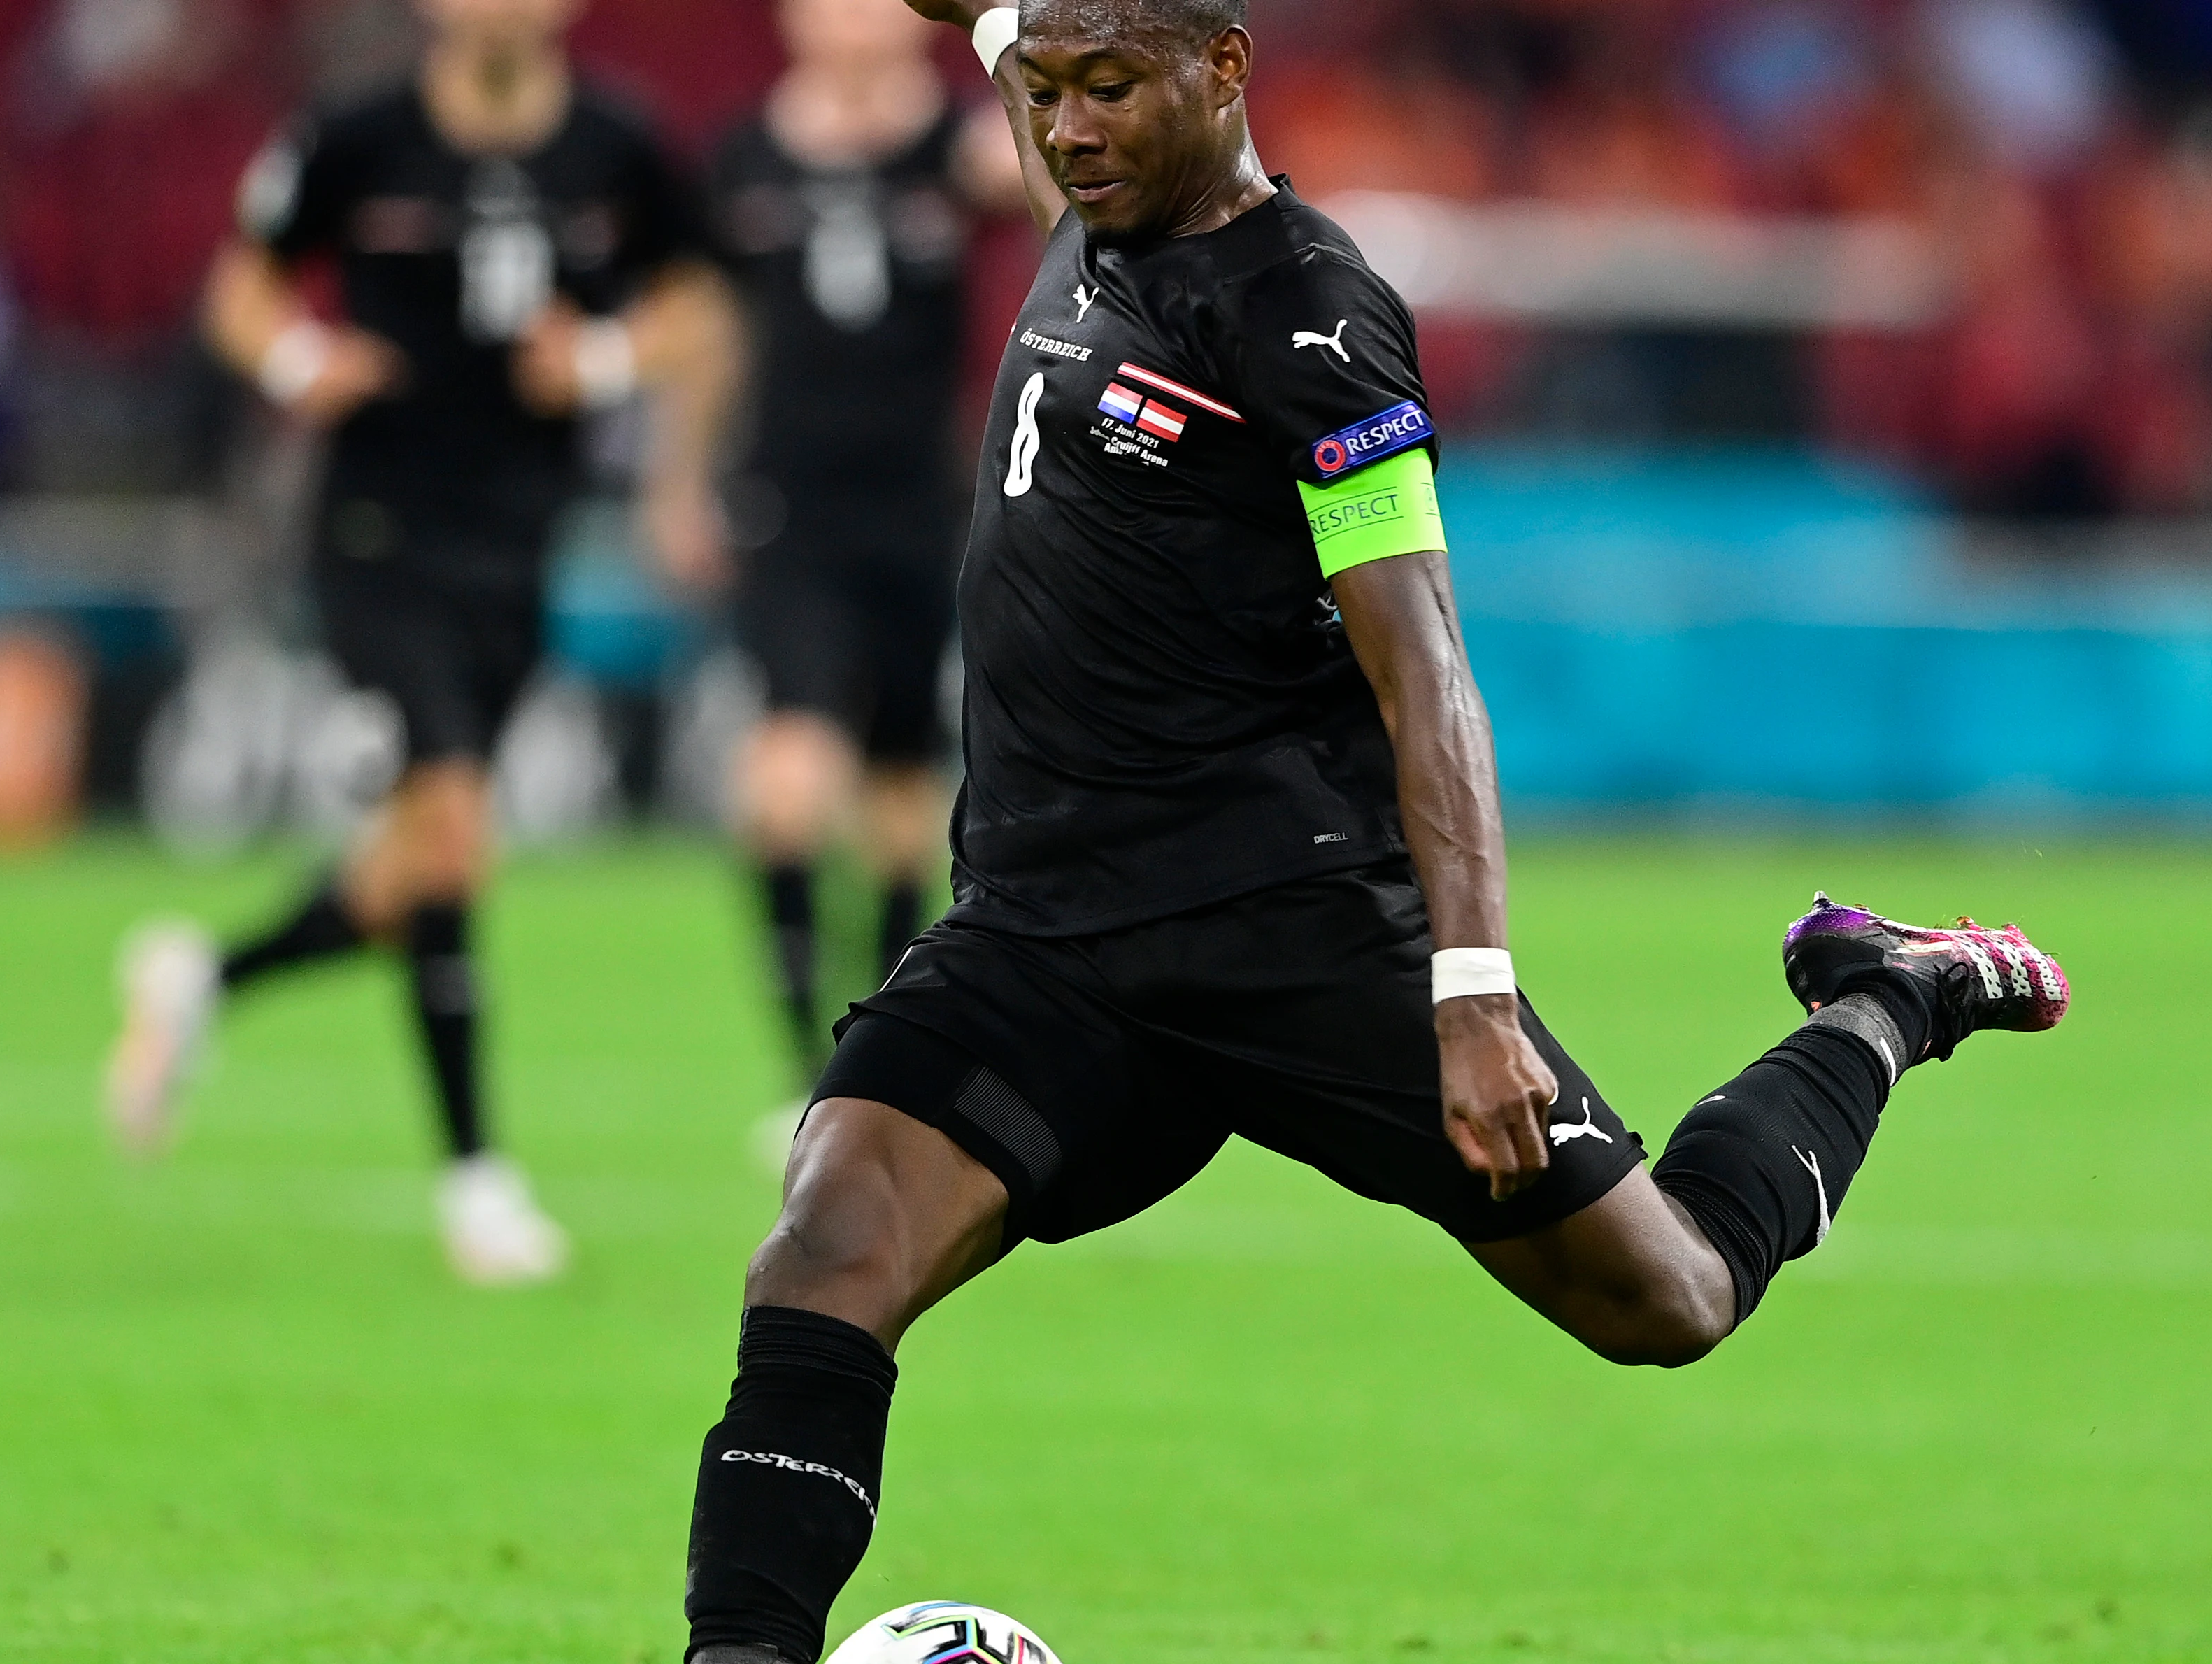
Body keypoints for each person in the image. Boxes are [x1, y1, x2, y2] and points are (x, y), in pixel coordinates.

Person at [673, 2, 2073, 1658]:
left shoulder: (1312, 320)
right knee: (824, 1255)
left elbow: (1427, 677)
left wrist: (1471, 989)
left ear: (1223, 70)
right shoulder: (1081, 149)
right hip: (1042, 934)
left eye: (1108, 89)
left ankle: (1887, 995)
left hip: (1295, 926)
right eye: (1041, 93)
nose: (1065, 129)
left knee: (1667, 1296)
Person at [101, 0, 737, 1286]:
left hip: (520, 542)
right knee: (452, 830)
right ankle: (477, 1183)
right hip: (377, 534)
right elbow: (243, 283)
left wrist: (610, 356)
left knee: (410, 870)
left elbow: (702, 305)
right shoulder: (354, 136)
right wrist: (295, 361)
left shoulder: (617, 145)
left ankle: (205, 980)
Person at [707, 0, 1028, 1084]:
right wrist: (677, 484)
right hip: (788, 507)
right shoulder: (743, 157)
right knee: (791, 777)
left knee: (900, 797)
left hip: (920, 505)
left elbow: (1056, 183)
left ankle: (876, 1054)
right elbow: (708, 334)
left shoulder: (957, 149)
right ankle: (803, 1058)